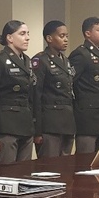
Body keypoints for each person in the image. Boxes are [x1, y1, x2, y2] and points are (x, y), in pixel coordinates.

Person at [0, 20, 35, 163]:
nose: (27, 37)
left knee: (24, 175)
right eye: (22, 34)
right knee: (6, 175)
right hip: (6, 127)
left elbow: (31, 96)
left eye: (28, 34)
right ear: (9, 38)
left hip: (25, 125)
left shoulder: (27, 61)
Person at [31, 20, 76, 158]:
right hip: (50, 123)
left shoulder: (66, 60)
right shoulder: (40, 60)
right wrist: (37, 130)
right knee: (49, 169)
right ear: (49, 38)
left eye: (67, 36)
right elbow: (35, 95)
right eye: (61, 36)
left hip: (67, 121)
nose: (66, 39)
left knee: (66, 169)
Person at [70, 16, 99, 154]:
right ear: (88, 33)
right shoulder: (81, 54)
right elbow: (70, 82)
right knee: (84, 159)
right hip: (87, 116)